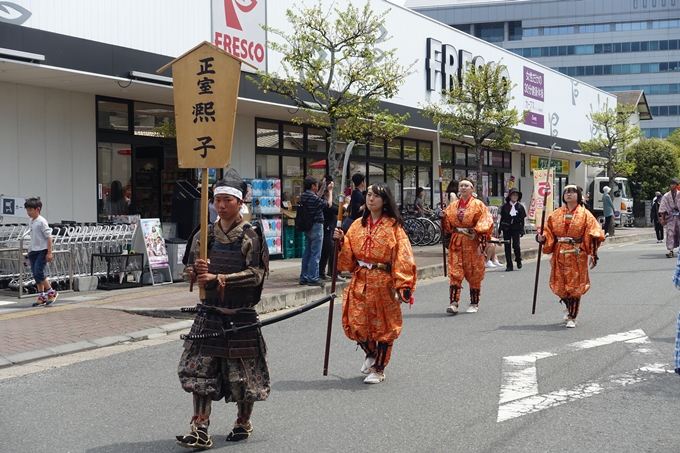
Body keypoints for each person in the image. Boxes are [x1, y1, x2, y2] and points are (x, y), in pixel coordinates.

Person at [176, 168, 270, 448]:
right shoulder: (203, 235)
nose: (221, 205)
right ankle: (200, 427)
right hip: (209, 314)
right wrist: (195, 272)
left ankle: (243, 421)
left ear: (240, 203)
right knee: (199, 371)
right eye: (217, 200)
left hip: (240, 315)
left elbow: (257, 274)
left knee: (243, 375)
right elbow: (187, 272)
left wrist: (220, 278)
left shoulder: (251, 235)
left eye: (228, 200)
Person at [332, 182, 417, 384]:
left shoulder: (393, 226)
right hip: (361, 279)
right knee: (356, 322)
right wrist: (341, 242)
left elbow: (402, 255)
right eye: (368, 195)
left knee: (385, 327)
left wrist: (403, 284)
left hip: (383, 281)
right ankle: (370, 353)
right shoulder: (355, 225)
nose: (371, 199)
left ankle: (379, 368)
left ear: (385, 200)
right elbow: (347, 261)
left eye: (376, 196)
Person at [536, 185, 605, 328]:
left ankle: (572, 316)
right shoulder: (555, 214)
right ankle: (568, 307)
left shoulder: (586, 214)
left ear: (579, 196)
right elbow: (548, 232)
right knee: (560, 283)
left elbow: (593, 234)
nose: (569, 194)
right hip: (559, 252)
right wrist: (543, 238)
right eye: (566, 192)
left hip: (576, 252)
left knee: (574, 284)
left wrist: (593, 254)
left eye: (573, 192)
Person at [439, 178, 494, 314]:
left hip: (472, 241)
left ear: (472, 189)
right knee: (455, 272)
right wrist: (442, 217)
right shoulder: (453, 206)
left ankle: (474, 302)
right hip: (457, 242)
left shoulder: (479, 205)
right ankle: (453, 303)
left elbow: (485, 223)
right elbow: (448, 226)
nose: (463, 188)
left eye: (466, 186)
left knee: (474, 272)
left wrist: (480, 241)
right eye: (461, 186)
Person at [24, 197, 58, 306]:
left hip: (42, 251)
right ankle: (41, 296)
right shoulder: (31, 221)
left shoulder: (42, 221)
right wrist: (30, 250)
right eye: (27, 210)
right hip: (34, 251)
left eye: (30, 210)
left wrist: (49, 252)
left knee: (39, 272)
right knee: (35, 274)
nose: (28, 212)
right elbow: (33, 237)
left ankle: (51, 292)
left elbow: (49, 237)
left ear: (37, 209)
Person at [299, 175, 331, 287]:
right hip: (316, 226)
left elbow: (317, 198)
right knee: (315, 254)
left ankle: (304, 277)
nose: (317, 186)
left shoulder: (305, 196)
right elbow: (328, 204)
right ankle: (313, 278)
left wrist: (322, 188)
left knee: (307, 252)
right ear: (313, 186)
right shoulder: (313, 198)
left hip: (308, 227)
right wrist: (330, 192)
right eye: (317, 185)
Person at [318, 175, 345, 282]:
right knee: (333, 251)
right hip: (327, 229)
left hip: (327, 229)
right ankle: (334, 273)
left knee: (325, 252)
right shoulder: (323, 202)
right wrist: (346, 203)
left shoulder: (321, 200)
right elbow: (336, 209)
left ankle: (321, 273)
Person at [499, 188, 527, 271]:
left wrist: (522, 231)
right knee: (507, 246)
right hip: (506, 228)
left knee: (516, 246)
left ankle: (518, 259)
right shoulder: (505, 206)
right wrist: (499, 230)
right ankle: (509, 265)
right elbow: (502, 218)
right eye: (513, 195)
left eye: (516, 195)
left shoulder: (520, 207)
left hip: (516, 228)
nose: (515, 196)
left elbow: (522, 220)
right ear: (510, 196)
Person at [659, 178, 680, 258]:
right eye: (671, 184)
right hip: (671, 216)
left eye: (674, 184)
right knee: (670, 233)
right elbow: (663, 207)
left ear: (677, 185)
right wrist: (662, 218)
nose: (672, 186)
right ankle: (671, 250)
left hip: (679, 216)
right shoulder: (666, 196)